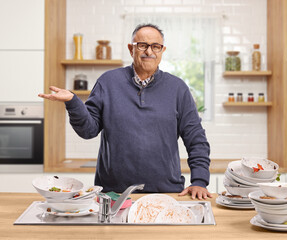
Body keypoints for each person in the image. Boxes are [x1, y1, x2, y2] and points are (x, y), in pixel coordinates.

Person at [38, 23, 212, 200]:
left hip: (166, 192)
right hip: (113, 193)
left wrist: (199, 180)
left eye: (156, 46)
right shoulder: (108, 82)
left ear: (162, 50)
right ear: (131, 49)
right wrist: (73, 102)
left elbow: (196, 139)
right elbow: (88, 130)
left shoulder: (178, 88)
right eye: (142, 45)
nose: (149, 51)